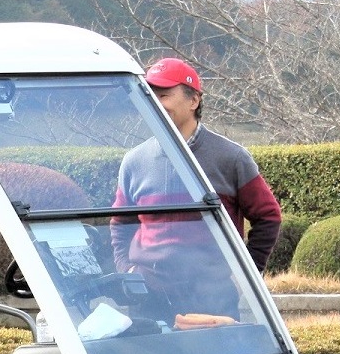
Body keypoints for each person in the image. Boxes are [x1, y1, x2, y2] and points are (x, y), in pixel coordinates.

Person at [111, 58, 282, 319]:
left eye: (164, 95)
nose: (156, 102)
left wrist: (246, 274)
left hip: (211, 297)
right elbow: (120, 223)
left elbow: (268, 216)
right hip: (148, 297)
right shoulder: (134, 160)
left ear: (194, 101)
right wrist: (128, 270)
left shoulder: (230, 157)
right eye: (150, 95)